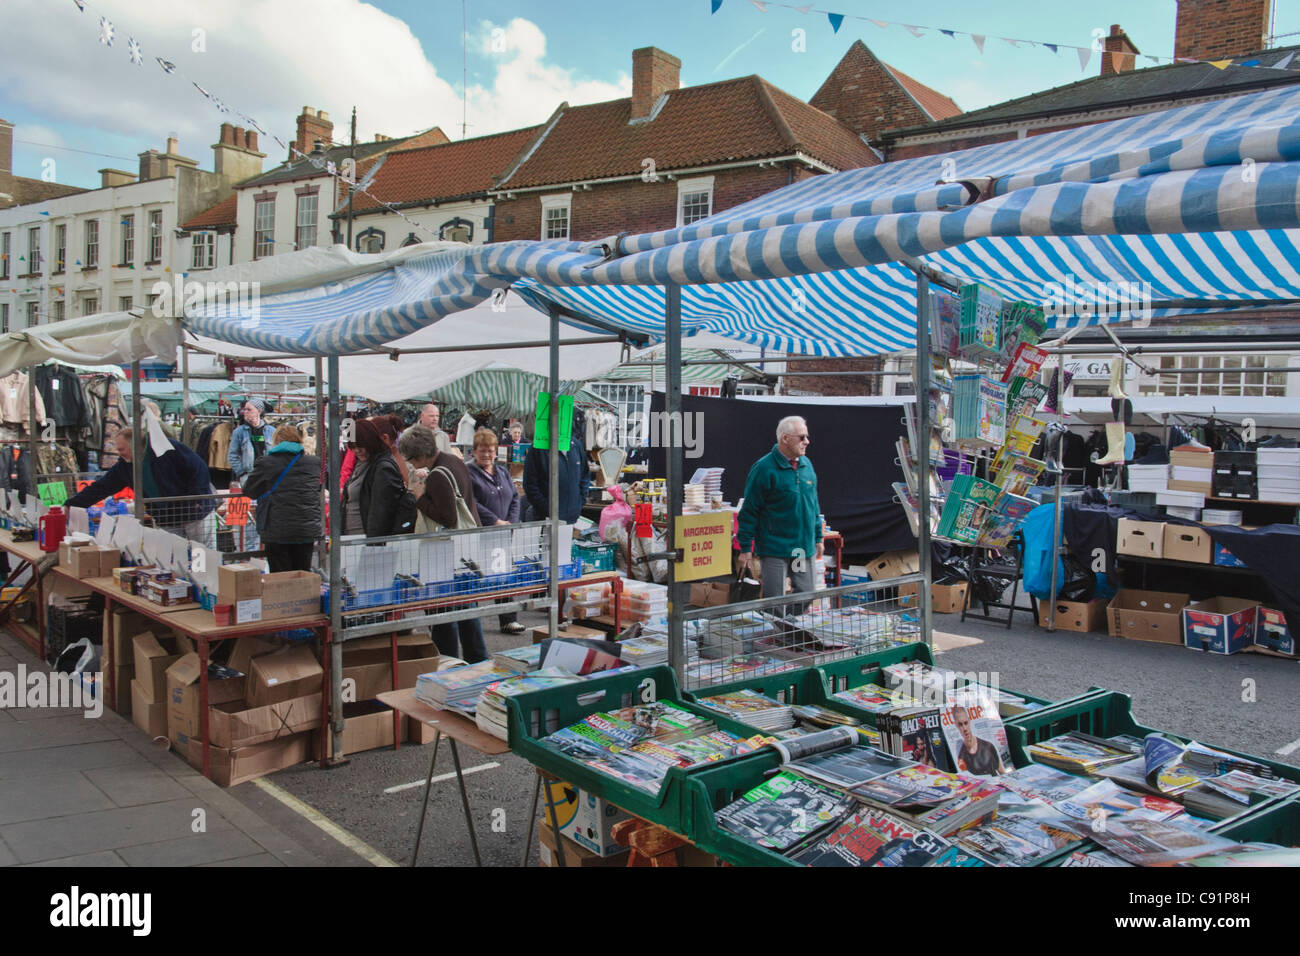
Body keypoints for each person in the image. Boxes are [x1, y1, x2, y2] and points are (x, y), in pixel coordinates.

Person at [397, 424, 488, 662]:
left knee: (444, 613)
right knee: (468, 610)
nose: (412, 464)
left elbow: (447, 517)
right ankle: (477, 662)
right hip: (467, 548)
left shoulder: (437, 475)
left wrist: (420, 498)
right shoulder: (455, 461)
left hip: (447, 554)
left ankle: (450, 663)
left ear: (421, 454)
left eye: (411, 459)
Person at [737, 416, 823, 610]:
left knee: (806, 592)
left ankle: (788, 630)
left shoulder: (806, 465)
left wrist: (818, 536)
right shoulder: (764, 469)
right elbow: (750, 509)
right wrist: (745, 547)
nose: (807, 442)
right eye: (802, 437)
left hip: (800, 549)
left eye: (807, 437)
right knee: (775, 602)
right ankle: (777, 634)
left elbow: (813, 504)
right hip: (774, 548)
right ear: (785, 438)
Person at [67, 427, 215, 538]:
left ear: (135, 446)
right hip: (166, 518)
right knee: (174, 558)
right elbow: (101, 487)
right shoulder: (124, 466)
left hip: (195, 512)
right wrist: (71, 504)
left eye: (121, 449)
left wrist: (198, 496)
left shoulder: (167, 448)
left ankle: (206, 579)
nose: (119, 453)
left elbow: (198, 467)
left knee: (202, 556)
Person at [466, 427, 525, 635]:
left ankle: (508, 619)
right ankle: (469, 624)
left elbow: (515, 497)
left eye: (491, 450)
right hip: (482, 534)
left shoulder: (502, 471)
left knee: (504, 575)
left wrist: (511, 522)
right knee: (476, 576)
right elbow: (471, 503)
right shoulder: (469, 472)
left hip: (504, 533)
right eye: (482, 450)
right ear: (474, 451)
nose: (487, 454)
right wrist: (494, 521)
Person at [241, 424, 322, 572]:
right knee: (303, 575)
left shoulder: (266, 463)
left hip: (276, 530)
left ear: (276, 441)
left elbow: (249, 490)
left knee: (280, 578)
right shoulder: (314, 463)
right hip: (306, 530)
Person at [522, 416, 590, 522]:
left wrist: (580, 502)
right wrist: (546, 508)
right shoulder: (537, 448)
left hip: (572, 516)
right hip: (545, 518)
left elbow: (585, 476)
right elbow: (530, 485)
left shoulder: (576, 446)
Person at [355, 417, 413, 537]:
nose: (356, 450)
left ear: (384, 438)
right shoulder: (368, 462)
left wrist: (373, 542)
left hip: (369, 537)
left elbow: (380, 513)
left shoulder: (384, 466)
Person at [227, 398, 276, 482]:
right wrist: (242, 473)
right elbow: (232, 455)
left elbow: (277, 454)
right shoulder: (239, 432)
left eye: (249, 409)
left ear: (259, 411)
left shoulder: (271, 431)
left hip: (268, 476)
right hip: (249, 476)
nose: (245, 412)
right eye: (245, 409)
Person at [950, 704, 1005, 776]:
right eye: (960, 725)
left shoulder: (988, 746)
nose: (965, 728)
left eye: (965, 723)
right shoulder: (961, 756)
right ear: (956, 725)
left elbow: (1002, 771)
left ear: (969, 721)